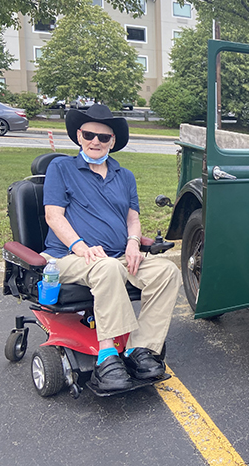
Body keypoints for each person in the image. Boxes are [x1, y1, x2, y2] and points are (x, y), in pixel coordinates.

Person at [42, 104, 182, 391]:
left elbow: (133, 219)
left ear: (112, 141)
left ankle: (139, 350)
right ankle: (107, 357)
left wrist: (133, 242)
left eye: (103, 137)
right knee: (105, 267)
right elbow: (53, 216)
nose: (96, 142)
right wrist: (81, 247)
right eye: (90, 135)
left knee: (166, 271)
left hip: (117, 256)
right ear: (79, 136)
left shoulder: (124, 175)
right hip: (69, 257)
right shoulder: (62, 167)